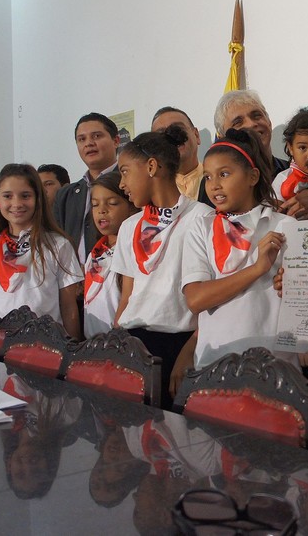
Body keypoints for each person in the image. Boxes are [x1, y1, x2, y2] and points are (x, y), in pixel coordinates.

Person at [111, 127, 212, 407]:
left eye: (125, 171)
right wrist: (115, 345)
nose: (121, 184)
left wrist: (189, 350)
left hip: (178, 344)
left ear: (152, 166)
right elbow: (126, 298)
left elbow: (210, 300)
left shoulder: (201, 218)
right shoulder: (129, 227)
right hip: (132, 345)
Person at [182, 128, 290, 370]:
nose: (214, 186)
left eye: (224, 174)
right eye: (208, 177)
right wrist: (258, 268)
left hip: (274, 366)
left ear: (252, 176)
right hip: (213, 364)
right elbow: (196, 299)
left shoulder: (286, 226)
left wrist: (294, 285)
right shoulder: (202, 228)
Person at [0, 164, 82, 356]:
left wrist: (72, 356)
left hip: (46, 351)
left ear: (38, 199)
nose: (17, 203)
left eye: (25, 196)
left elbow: (69, 307)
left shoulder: (58, 245)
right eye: (7, 196)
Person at [213, 90, 308, 219]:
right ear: (223, 137)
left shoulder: (296, 169)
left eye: (257, 115)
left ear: (269, 122)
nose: (251, 124)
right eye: (238, 122)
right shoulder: (215, 181)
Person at [53, 113, 120, 262]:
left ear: (116, 140)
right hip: (75, 281)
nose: (89, 143)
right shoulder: (65, 195)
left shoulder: (129, 184)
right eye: (81, 139)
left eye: (96, 136)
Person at [82, 171, 138, 338]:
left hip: (119, 343)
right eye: (95, 204)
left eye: (112, 203)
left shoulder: (132, 249)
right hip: (92, 345)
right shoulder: (95, 253)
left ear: (131, 207)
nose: (102, 211)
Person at [150, 106, 208, 206]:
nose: (171, 136)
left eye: (177, 129)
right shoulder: (149, 194)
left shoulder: (221, 181)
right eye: (161, 134)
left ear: (196, 135)